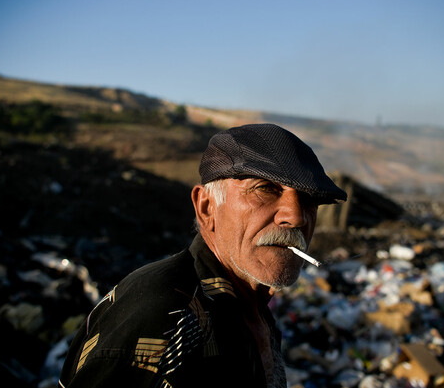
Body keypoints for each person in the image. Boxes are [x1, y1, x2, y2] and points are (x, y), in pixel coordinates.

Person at [59, 123, 347, 388]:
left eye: (309, 200)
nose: (296, 217)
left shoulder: (250, 306)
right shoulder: (166, 316)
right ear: (207, 207)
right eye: (266, 189)